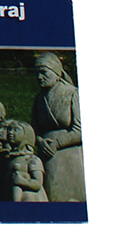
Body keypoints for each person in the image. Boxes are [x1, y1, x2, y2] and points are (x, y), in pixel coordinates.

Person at [31, 52, 84, 202]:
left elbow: (80, 130)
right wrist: (40, 142)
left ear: (57, 73)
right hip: (46, 155)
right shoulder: (39, 99)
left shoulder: (72, 94)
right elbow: (34, 130)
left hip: (68, 155)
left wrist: (58, 143)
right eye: (36, 73)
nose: (39, 77)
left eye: (43, 72)